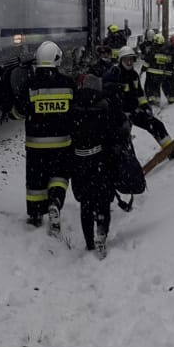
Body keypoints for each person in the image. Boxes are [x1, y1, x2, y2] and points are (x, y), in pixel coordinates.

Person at [12, 40, 73, 232]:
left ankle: (35, 215)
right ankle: (55, 201)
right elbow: (75, 112)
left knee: (35, 182)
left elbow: (18, 112)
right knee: (60, 176)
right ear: (57, 59)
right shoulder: (68, 84)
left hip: (36, 146)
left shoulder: (30, 85)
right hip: (62, 145)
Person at [69, 65, 128, 256]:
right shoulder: (104, 106)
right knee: (102, 200)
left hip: (79, 161)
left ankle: (89, 242)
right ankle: (101, 232)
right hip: (100, 160)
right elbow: (114, 134)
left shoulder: (73, 107)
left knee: (85, 203)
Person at [106, 46, 173, 150]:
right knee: (123, 139)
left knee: (157, 125)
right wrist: (120, 110)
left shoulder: (134, 75)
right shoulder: (115, 73)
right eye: (126, 59)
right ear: (121, 60)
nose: (129, 62)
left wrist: (145, 106)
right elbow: (107, 89)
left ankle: (170, 150)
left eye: (131, 59)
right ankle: (126, 158)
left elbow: (140, 94)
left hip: (134, 111)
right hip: (121, 114)